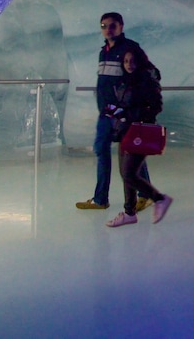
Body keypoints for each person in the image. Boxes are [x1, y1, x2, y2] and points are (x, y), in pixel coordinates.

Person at [76, 12, 153, 211]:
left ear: (121, 26)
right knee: (102, 150)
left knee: (130, 153)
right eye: (104, 25)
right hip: (106, 112)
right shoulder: (105, 51)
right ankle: (101, 198)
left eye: (112, 25)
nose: (107, 29)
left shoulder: (130, 48)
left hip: (123, 113)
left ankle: (144, 193)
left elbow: (145, 76)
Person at [105, 47, 173, 227]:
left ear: (140, 61)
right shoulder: (125, 80)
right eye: (126, 61)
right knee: (125, 174)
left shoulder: (146, 80)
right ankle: (129, 213)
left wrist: (129, 114)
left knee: (128, 174)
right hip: (124, 131)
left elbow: (156, 107)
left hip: (138, 132)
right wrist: (116, 111)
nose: (129, 65)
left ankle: (159, 199)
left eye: (132, 61)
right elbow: (125, 103)